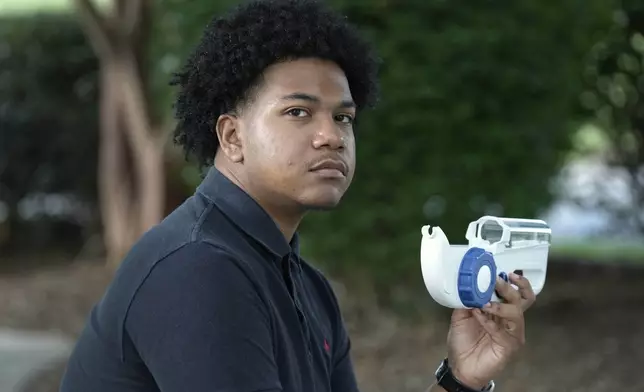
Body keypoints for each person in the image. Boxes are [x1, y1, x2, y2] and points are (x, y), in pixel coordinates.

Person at [60, 0, 536, 391]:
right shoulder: (198, 270)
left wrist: (461, 378)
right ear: (231, 137)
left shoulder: (303, 284)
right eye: (297, 112)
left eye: (343, 118)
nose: (331, 136)